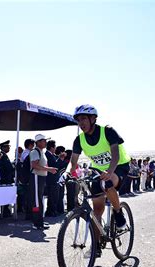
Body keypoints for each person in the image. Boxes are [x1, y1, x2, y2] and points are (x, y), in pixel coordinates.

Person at [70, 104, 131, 257]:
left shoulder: (107, 131)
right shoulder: (79, 139)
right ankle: (96, 246)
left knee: (108, 183)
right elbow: (73, 161)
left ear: (93, 118)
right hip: (98, 170)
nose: (81, 122)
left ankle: (118, 213)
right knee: (97, 210)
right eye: (78, 120)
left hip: (119, 166)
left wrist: (110, 171)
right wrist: (70, 171)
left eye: (84, 118)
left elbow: (115, 155)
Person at [30, 134, 57, 230]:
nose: (45, 142)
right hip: (36, 177)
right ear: (38, 142)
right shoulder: (35, 151)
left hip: (40, 178)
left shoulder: (41, 152)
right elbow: (34, 165)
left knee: (39, 200)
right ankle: (37, 223)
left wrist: (48, 169)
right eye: (44, 140)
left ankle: (39, 221)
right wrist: (49, 169)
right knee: (37, 201)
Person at [0, 140, 15, 217]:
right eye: (7, 146)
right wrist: (13, 167)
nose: (9, 148)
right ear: (3, 147)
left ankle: (6, 211)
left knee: (6, 197)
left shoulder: (4, 155)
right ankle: (5, 212)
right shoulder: (1, 155)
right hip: (4, 179)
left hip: (6, 179)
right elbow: (8, 167)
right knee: (4, 197)